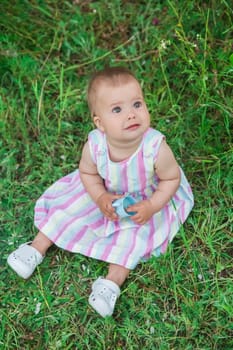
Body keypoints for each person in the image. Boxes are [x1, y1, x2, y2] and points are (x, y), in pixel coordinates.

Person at [7, 66, 194, 317]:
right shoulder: (95, 145)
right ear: (100, 123)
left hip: (145, 198)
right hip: (104, 190)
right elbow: (88, 174)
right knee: (67, 210)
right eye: (117, 109)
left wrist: (152, 206)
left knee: (134, 237)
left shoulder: (155, 147)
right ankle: (35, 248)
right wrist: (99, 196)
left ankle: (111, 283)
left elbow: (171, 179)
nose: (131, 115)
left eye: (137, 104)